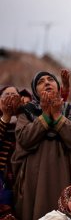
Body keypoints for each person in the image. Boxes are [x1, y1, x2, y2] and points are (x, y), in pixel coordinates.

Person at [11, 71, 71, 220]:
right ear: (35, 90)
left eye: (51, 79)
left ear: (58, 87)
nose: (46, 82)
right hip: (35, 180)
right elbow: (24, 139)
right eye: (41, 81)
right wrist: (44, 116)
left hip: (65, 172)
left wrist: (57, 116)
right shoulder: (27, 111)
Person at [0, 86, 21, 219]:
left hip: (20, 177)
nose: (10, 97)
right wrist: (6, 117)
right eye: (6, 94)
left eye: (14, 95)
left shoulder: (26, 120)